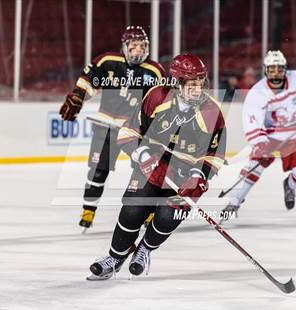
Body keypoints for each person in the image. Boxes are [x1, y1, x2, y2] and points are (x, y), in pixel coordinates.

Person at [86, 54, 226, 280]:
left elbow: (214, 154)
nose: (198, 89)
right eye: (192, 84)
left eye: (201, 83)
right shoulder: (156, 97)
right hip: (150, 164)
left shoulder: (212, 111)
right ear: (177, 83)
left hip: (183, 173)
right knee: (132, 210)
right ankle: (114, 258)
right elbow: (129, 132)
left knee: (168, 215)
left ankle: (144, 249)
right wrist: (142, 154)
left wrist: (199, 177)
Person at [59, 26, 165, 231]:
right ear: (124, 46)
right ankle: (88, 210)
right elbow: (87, 81)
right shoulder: (106, 61)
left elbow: (159, 102)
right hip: (105, 127)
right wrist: (78, 97)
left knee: (144, 170)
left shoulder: (155, 71)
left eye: (142, 46)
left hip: (134, 130)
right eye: (133, 46)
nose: (138, 51)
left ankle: (147, 211)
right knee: (98, 171)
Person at [220, 50, 296, 222]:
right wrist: (261, 146)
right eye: (272, 69)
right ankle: (234, 201)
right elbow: (253, 123)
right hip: (270, 135)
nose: (275, 73)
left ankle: (289, 186)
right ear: (266, 70)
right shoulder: (258, 93)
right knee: (255, 166)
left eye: (279, 69)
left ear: (284, 69)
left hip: (295, 135)